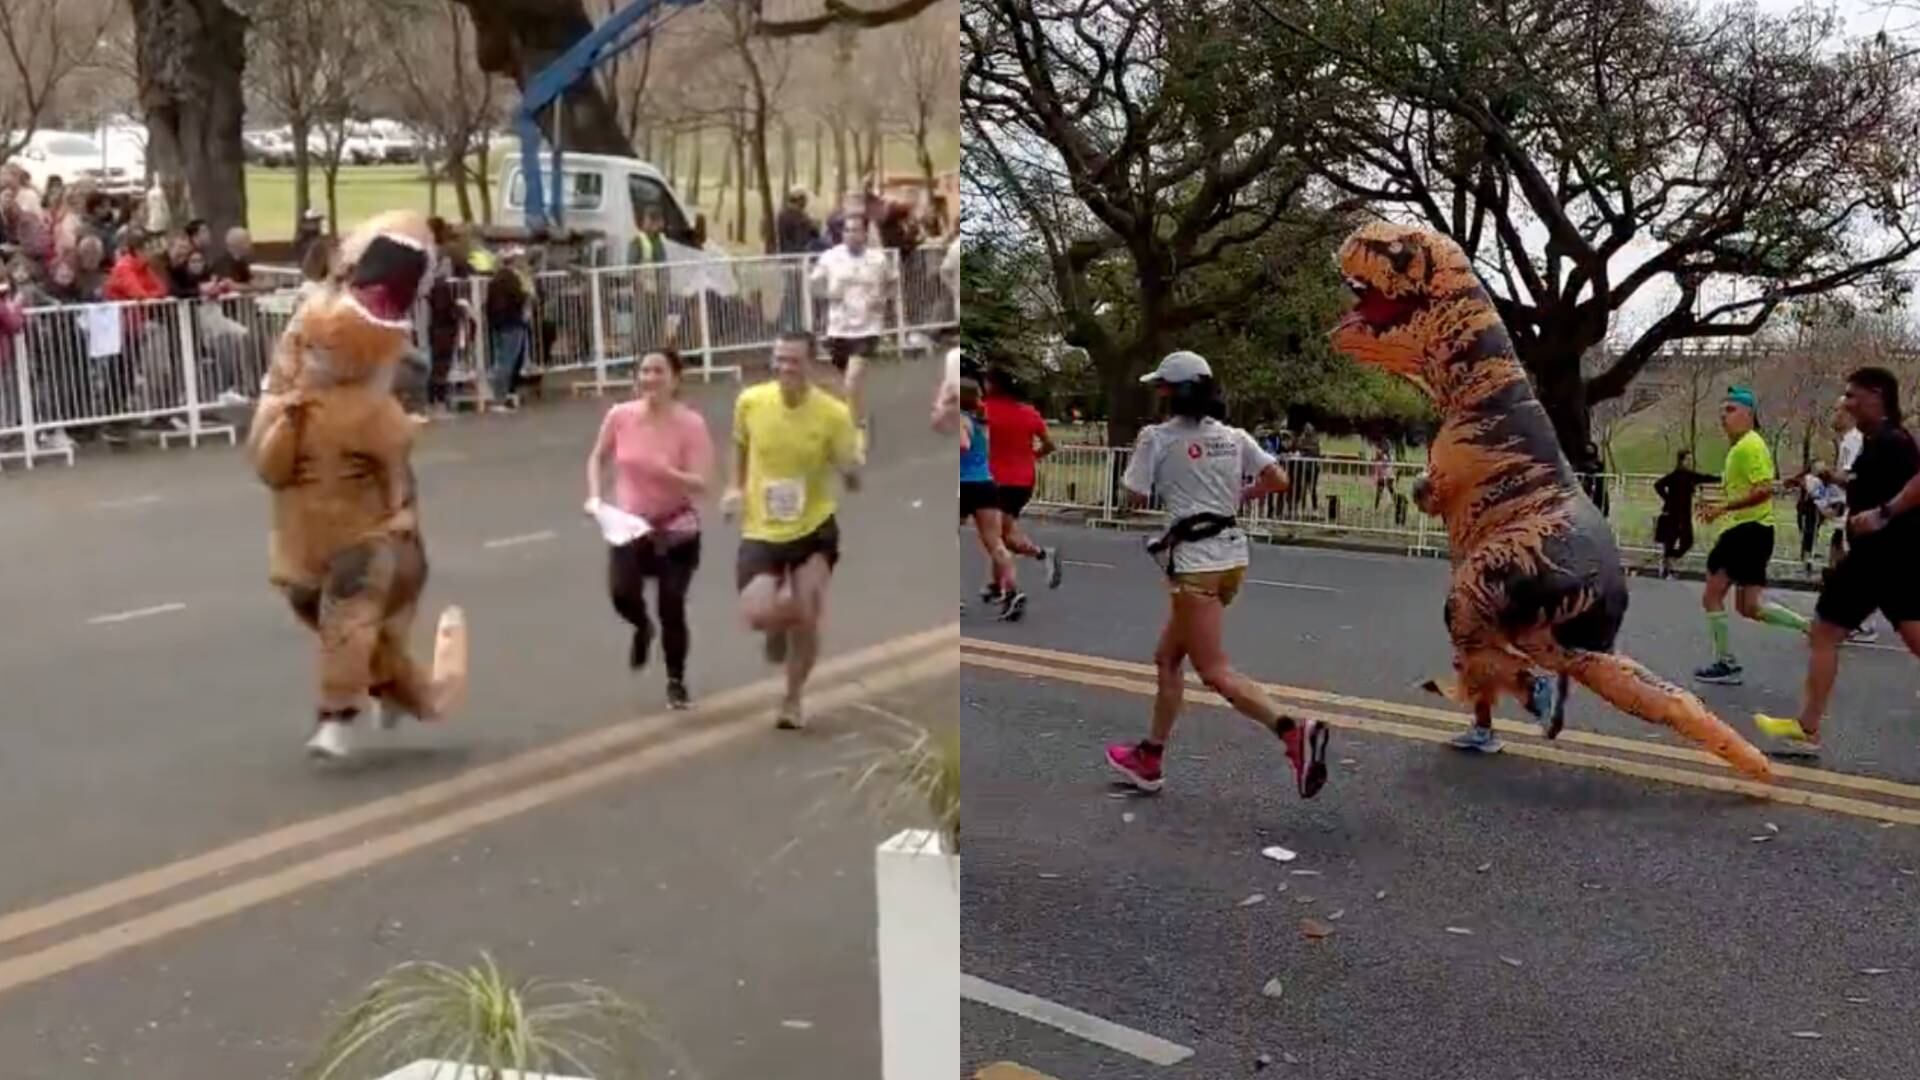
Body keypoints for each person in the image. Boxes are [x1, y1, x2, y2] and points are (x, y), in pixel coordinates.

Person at [1104, 350, 1332, 798]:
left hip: (1196, 566)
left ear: (1176, 393)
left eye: (1163, 387)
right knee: (1168, 658)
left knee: (1213, 671)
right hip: (1232, 559)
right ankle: (1150, 757)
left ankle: (1292, 731)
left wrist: (1173, 489)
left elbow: (1132, 496)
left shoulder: (1155, 437)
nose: (1159, 394)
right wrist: (1235, 497)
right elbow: (1278, 479)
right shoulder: (1234, 436)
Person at [1756, 367, 1920, 758]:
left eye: (1851, 396)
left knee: (1823, 632)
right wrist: (1832, 477)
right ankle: (1806, 728)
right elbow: (1867, 480)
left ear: (1876, 394)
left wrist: (1883, 514)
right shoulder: (1878, 441)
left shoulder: (1894, 440)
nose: (1845, 403)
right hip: (1892, 559)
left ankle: (1807, 729)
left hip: (1880, 556)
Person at [723, 330, 863, 730]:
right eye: (780, 360)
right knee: (757, 613)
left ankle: (792, 698)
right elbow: (741, 446)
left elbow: (850, 472)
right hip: (762, 529)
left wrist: (851, 471)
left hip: (814, 528)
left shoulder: (832, 413)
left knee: (806, 613)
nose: (785, 368)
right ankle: (775, 628)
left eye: (794, 361)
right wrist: (734, 486)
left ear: (811, 364)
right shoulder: (751, 402)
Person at [585, 348, 714, 710]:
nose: (650, 379)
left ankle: (676, 680)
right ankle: (642, 627)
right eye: (644, 371)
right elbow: (598, 456)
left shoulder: (690, 424)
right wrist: (595, 496)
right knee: (622, 594)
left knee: (671, 605)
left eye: (659, 371)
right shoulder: (620, 416)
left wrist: (668, 474)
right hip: (630, 525)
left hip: (676, 525)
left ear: (675, 379)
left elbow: (702, 483)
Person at [1693, 386, 1810, 685]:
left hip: (1746, 531)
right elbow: (1761, 485)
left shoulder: (1749, 445)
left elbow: (1761, 490)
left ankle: (1726, 663)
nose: (1724, 416)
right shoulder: (1742, 447)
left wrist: (1722, 508)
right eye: (1722, 410)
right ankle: (1811, 627)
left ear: (1749, 414)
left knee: (1712, 595)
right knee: (1749, 607)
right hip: (1755, 532)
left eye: (1731, 410)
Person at [808, 206, 894, 452]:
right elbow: (813, 286)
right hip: (839, 328)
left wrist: (882, 298)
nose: (852, 235)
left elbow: (892, 283)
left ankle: (854, 431)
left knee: (853, 379)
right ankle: (857, 419)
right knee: (843, 385)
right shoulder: (830, 258)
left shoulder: (877, 259)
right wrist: (828, 293)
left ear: (865, 234)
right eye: (847, 230)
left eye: (857, 230)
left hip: (868, 328)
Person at [981, 367, 1063, 600]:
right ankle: (997, 584)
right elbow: (1049, 445)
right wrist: (1031, 457)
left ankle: (1041, 554)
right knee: (1001, 533)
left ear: (993, 386)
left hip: (996, 480)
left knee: (1002, 537)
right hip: (1024, 480)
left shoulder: (984, 410)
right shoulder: (1029, 413)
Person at [1812, 395, 1881, 644]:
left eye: (1837, 410)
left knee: (1856, 566)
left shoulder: (1854, 440)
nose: (1834, 414)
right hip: (1848, 512)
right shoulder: (1848, 441)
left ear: (1849, 414)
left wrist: (1825, 474)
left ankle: (1863, 624)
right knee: (1838, 561)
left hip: (1858, 514)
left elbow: (1851, 478)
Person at [1652, 450, 1717, 578]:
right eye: (1688, 459)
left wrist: (1722, 478)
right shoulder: (1676, 475)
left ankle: (1669, 558)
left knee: (1687, 541)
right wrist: (1668, 498)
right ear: (1682, 461)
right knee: (1671, 540)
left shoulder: (1689, 475)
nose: (1690, 462)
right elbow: (1658, 485)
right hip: (1673, 513)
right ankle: (1667, 569)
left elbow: (1704, 478)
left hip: (1684, 514)